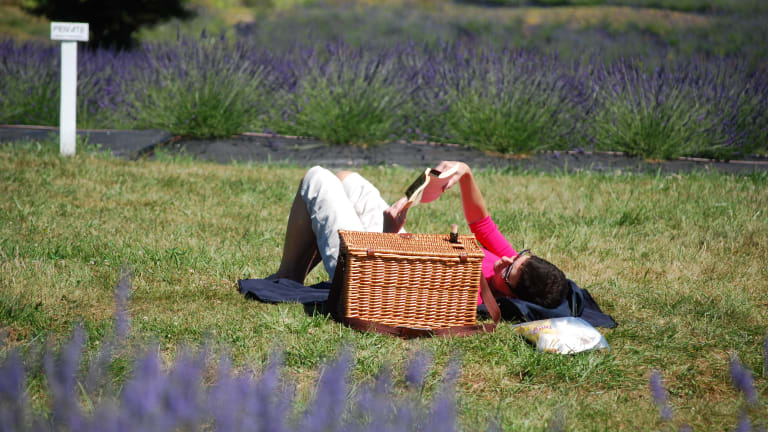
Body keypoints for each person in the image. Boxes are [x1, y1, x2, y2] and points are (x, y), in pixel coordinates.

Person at [269, 161, 569, 311]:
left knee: (318, 178)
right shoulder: (509, 262)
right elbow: (483, 224)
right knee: (349, 180)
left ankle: (288, 277)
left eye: (508, 272)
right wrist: (465, 172)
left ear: (513, 297)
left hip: (366, 273)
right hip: (395, 248)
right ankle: (293, 273)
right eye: (518, 257)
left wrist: (389, 234)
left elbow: (394, 286)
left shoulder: (473, 298)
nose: (504, 260)